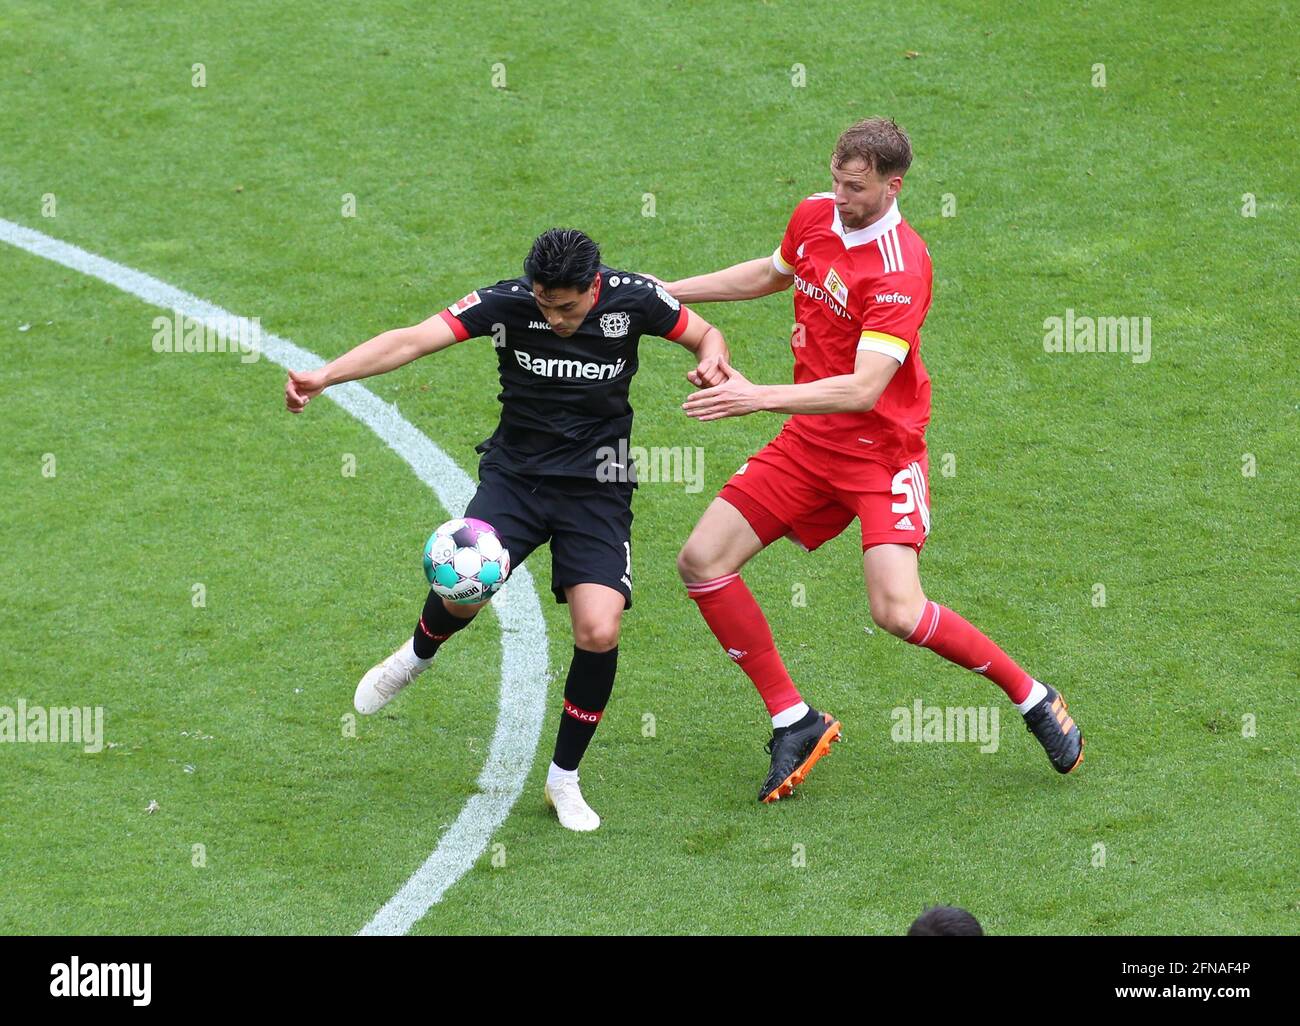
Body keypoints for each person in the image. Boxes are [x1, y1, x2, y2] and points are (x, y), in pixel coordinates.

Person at [660, 117, 1084, 803]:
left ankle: (1033, 697)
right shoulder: (814, 217)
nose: (840, 195)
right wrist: (667, 291)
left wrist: (756, 396)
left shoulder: (900, 268)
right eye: (834, 178)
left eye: (855, 188)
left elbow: (864, 388)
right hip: (808, 444)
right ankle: (793, 719)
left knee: (897, 610)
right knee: (701, 561)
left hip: (880, 457)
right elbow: (769, 274)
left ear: (894, 185)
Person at [285, 228, 729, 830]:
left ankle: (563, 780)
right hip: (516, 477)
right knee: (464, 586)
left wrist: (710, 357)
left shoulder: (635, 299)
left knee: (599, 629)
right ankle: (417, 654)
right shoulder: (508, 302)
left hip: (599, 484)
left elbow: (703, 332)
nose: (554, 316)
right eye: (545, 304)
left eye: (566, 307)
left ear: (593, 286)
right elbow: (415, 340)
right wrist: (326, 376)